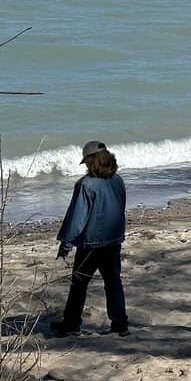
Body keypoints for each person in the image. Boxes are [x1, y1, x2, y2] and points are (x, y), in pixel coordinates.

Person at [50, 140, 129, 337]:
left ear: (92, 161)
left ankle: (71, 324)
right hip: (114, 240)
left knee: (78, 284)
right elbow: (121, 207)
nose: (85, 165)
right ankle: (120, 324)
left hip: (92, 244)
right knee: (113, 283)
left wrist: (66, 244)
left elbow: (77, 218)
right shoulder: (118, 180)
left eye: (86, 161)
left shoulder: (85, 185)